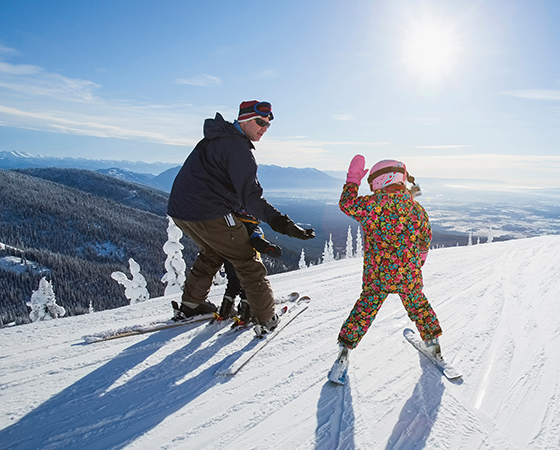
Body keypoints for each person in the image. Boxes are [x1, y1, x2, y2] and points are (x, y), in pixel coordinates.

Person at [167, 100, 314, 336]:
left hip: (181, 211)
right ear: (243, 120)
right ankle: (265, 318)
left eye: (267, 124)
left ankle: (191, 305)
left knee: (212, 252)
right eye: (260, 122)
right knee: (247, 261)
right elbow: (252, 199)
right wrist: (282, 223)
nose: (264, 127)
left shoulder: (216, 139)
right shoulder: (238, 149)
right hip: (209, 212)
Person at [328, 155, 442, 380]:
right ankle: (433, 344)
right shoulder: (416, 208)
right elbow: (425, 238)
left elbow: (346, 204)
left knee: (365, 309)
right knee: (418, 305)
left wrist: (352, 180)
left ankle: (344, 351)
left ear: (380, 181)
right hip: (408, 275)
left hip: (377, 276)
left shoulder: (371, 206)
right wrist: (420, 260)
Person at [217, 210, 283, 324]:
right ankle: (245, 315)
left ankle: (224, 311)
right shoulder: (252, 228)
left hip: (229, 261)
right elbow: (257, 241)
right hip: (245, 262)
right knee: (247, 288)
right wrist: (268, 248)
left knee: (232, 285)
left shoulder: (231, 226)